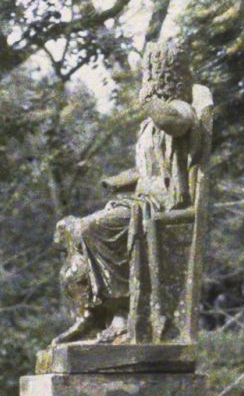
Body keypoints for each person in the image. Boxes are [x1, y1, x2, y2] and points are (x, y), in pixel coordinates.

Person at [53, 41, 205, 345]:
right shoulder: (148, 125)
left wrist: (149, 99)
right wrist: (118, 181)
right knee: (71, 231)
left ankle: (122, 314)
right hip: (139, 199)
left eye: (150, 73)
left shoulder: (180, 110)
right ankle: (93, 315)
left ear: (162, 74)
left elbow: (174, 124)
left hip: (162, 205)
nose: (145, 80)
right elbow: (147, 168)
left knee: (92, 228)